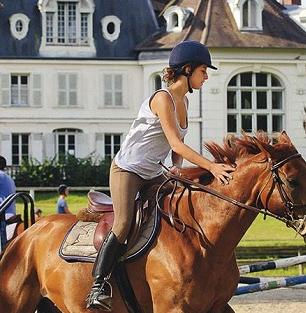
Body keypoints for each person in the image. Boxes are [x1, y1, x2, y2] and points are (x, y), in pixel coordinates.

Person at [85, 40, 235, 311]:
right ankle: (99, 285)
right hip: (128, 170)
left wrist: (177, 166)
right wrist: (211, 167)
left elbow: (177, 145)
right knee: (124, 223)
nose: (206, 76)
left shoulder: (184, 101)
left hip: (154, 171)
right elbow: (176, 143)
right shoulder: (162, 98)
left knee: (179, 207)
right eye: (203, 71)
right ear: (187, 69)